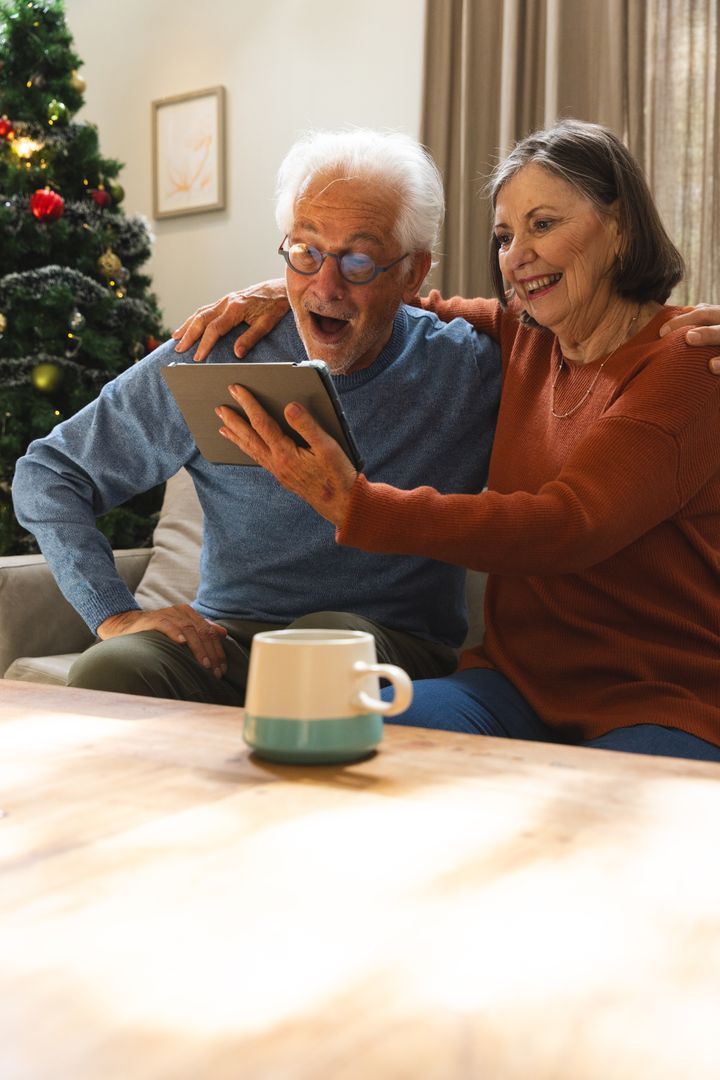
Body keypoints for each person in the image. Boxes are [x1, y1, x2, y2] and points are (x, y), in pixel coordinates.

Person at [202, 120, 720, 761]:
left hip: (658, 697)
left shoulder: (690, 364)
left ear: (619, 229)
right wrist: (286, 289)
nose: (516, 254)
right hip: (511, 687)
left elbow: (572, 524)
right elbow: (412, 293)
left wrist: (358, 506)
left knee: (597, 819)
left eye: (543, 224)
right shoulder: (528, 335)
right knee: (350, 728)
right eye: (505, 236)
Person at [11, 129, 502, 703]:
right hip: (228, 639)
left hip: (387, 644)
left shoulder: (467, 367)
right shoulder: (219, 351)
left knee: (321, 652)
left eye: (360, 260)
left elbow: (564, 340)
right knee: (112, 672)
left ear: (413, 273)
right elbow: (49, 473)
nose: (325, 284)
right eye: (305, 251)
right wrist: (112, 614)